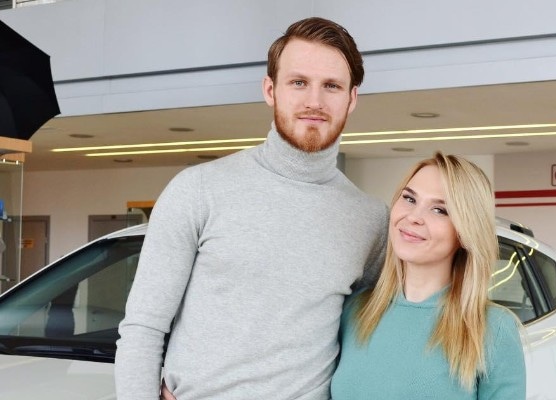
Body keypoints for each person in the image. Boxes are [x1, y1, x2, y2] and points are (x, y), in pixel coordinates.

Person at [115, 17, 388, 400]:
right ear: (270, 90)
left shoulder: (371, 220)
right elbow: (143, 328)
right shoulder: (198, 190)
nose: (315, 101)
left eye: (331, 85)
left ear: (352, 98)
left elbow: (373, 339)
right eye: (299, 82)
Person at [330, 153, 526, 399]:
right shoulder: (354, 309)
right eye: (409, 198)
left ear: (465, 232)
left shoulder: (492, 330)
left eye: (439, 210)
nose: (413, 216)